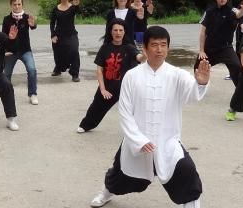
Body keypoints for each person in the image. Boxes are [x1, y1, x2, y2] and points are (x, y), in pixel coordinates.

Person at [89, 26, 211, 208]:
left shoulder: (177, 75)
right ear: (144, 49)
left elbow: (192, 95)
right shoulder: (132, 76)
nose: (159, 49)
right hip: (136, 141)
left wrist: (201, 82)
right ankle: (106, 193)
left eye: (163, 45)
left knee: (186, 172)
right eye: (154, 45)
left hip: (167, 141)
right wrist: (137, 140)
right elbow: (124, 112)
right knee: (120, 175)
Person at [76, 18, 143, 133]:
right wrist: (102, 89)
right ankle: (86, 125)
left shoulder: (129, 47)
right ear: (110, 32)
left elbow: (139, 58)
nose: (118, 33)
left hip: (125, 88)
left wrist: (145, 54)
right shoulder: (105, 48)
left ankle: (139, 130)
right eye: (115, 30)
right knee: (96, 107)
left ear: (124, 32)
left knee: (136, 109)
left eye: (121, 30)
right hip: (108, 87)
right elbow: (99, 70)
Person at [195, 0, 243, 87]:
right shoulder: (209, 11)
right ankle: (198, 88)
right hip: (209, 48)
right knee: (197, 67)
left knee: (237, 67)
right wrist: (201, 50)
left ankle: (241, 97)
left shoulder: (233, 10)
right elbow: (203, 32)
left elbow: (239, 14)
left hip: (226, 48)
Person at [2, 0, 39, 105]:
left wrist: (33, 24)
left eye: (19, 4)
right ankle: (4, 91)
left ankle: (33, 94)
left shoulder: (27, 17)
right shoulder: (6, 19)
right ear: (11, 5)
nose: (17, 6)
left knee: (32, 70)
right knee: (6, 73)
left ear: (22, 5)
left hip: (25, 50)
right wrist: (8, 39)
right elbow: (3, 36)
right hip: (11, 51)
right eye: (14, 4)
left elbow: (33, 26)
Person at [49, 0, 81, 82]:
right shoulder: (55, 9)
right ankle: (58, 68)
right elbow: (52, 23)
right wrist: (53, 35)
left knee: (74, 50)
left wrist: (77, 6)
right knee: (58, 53)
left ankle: (75, 74)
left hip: (71, 34)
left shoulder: (73, 7)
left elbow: (79, 12)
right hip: (59, 34)